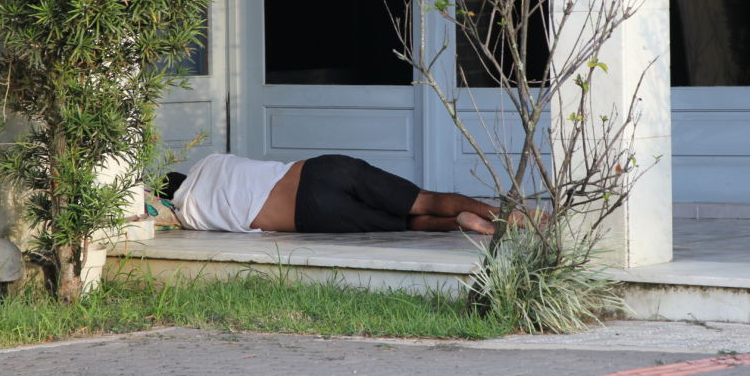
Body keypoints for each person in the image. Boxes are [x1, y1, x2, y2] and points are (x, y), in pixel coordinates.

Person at [167, 153, 503, 235]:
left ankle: (458, 223)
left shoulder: (190, 211)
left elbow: (168, 215)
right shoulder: (212, 162)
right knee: (423, 198)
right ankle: (504, 214)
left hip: (311, 211)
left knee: (408, 223)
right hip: (321, 169)